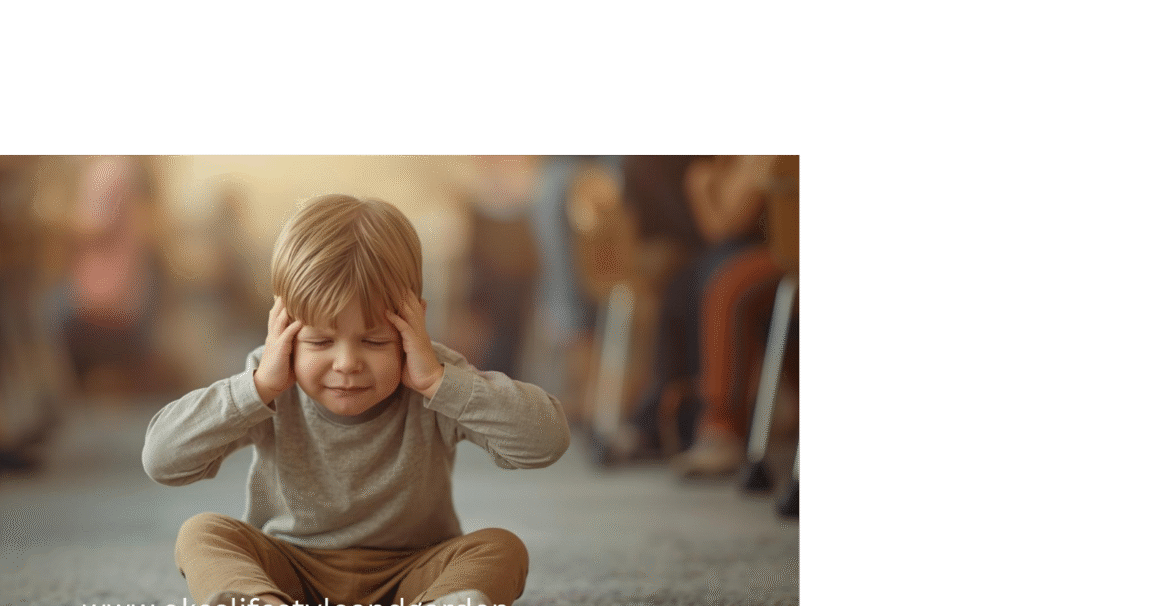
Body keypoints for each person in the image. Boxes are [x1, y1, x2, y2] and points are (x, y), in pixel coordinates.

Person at [142, 194, 571, 606]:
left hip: (412, 574)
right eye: (321, 340)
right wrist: (256, 389)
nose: (346, 363)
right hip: (290, 570)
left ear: (412, 326)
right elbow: (162, 459)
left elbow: (547, 441)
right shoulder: (270, 381)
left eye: (374, 340)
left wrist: (439, 381)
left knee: (501, 547)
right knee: (202, 533)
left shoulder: (438, 378)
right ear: (284, 327)